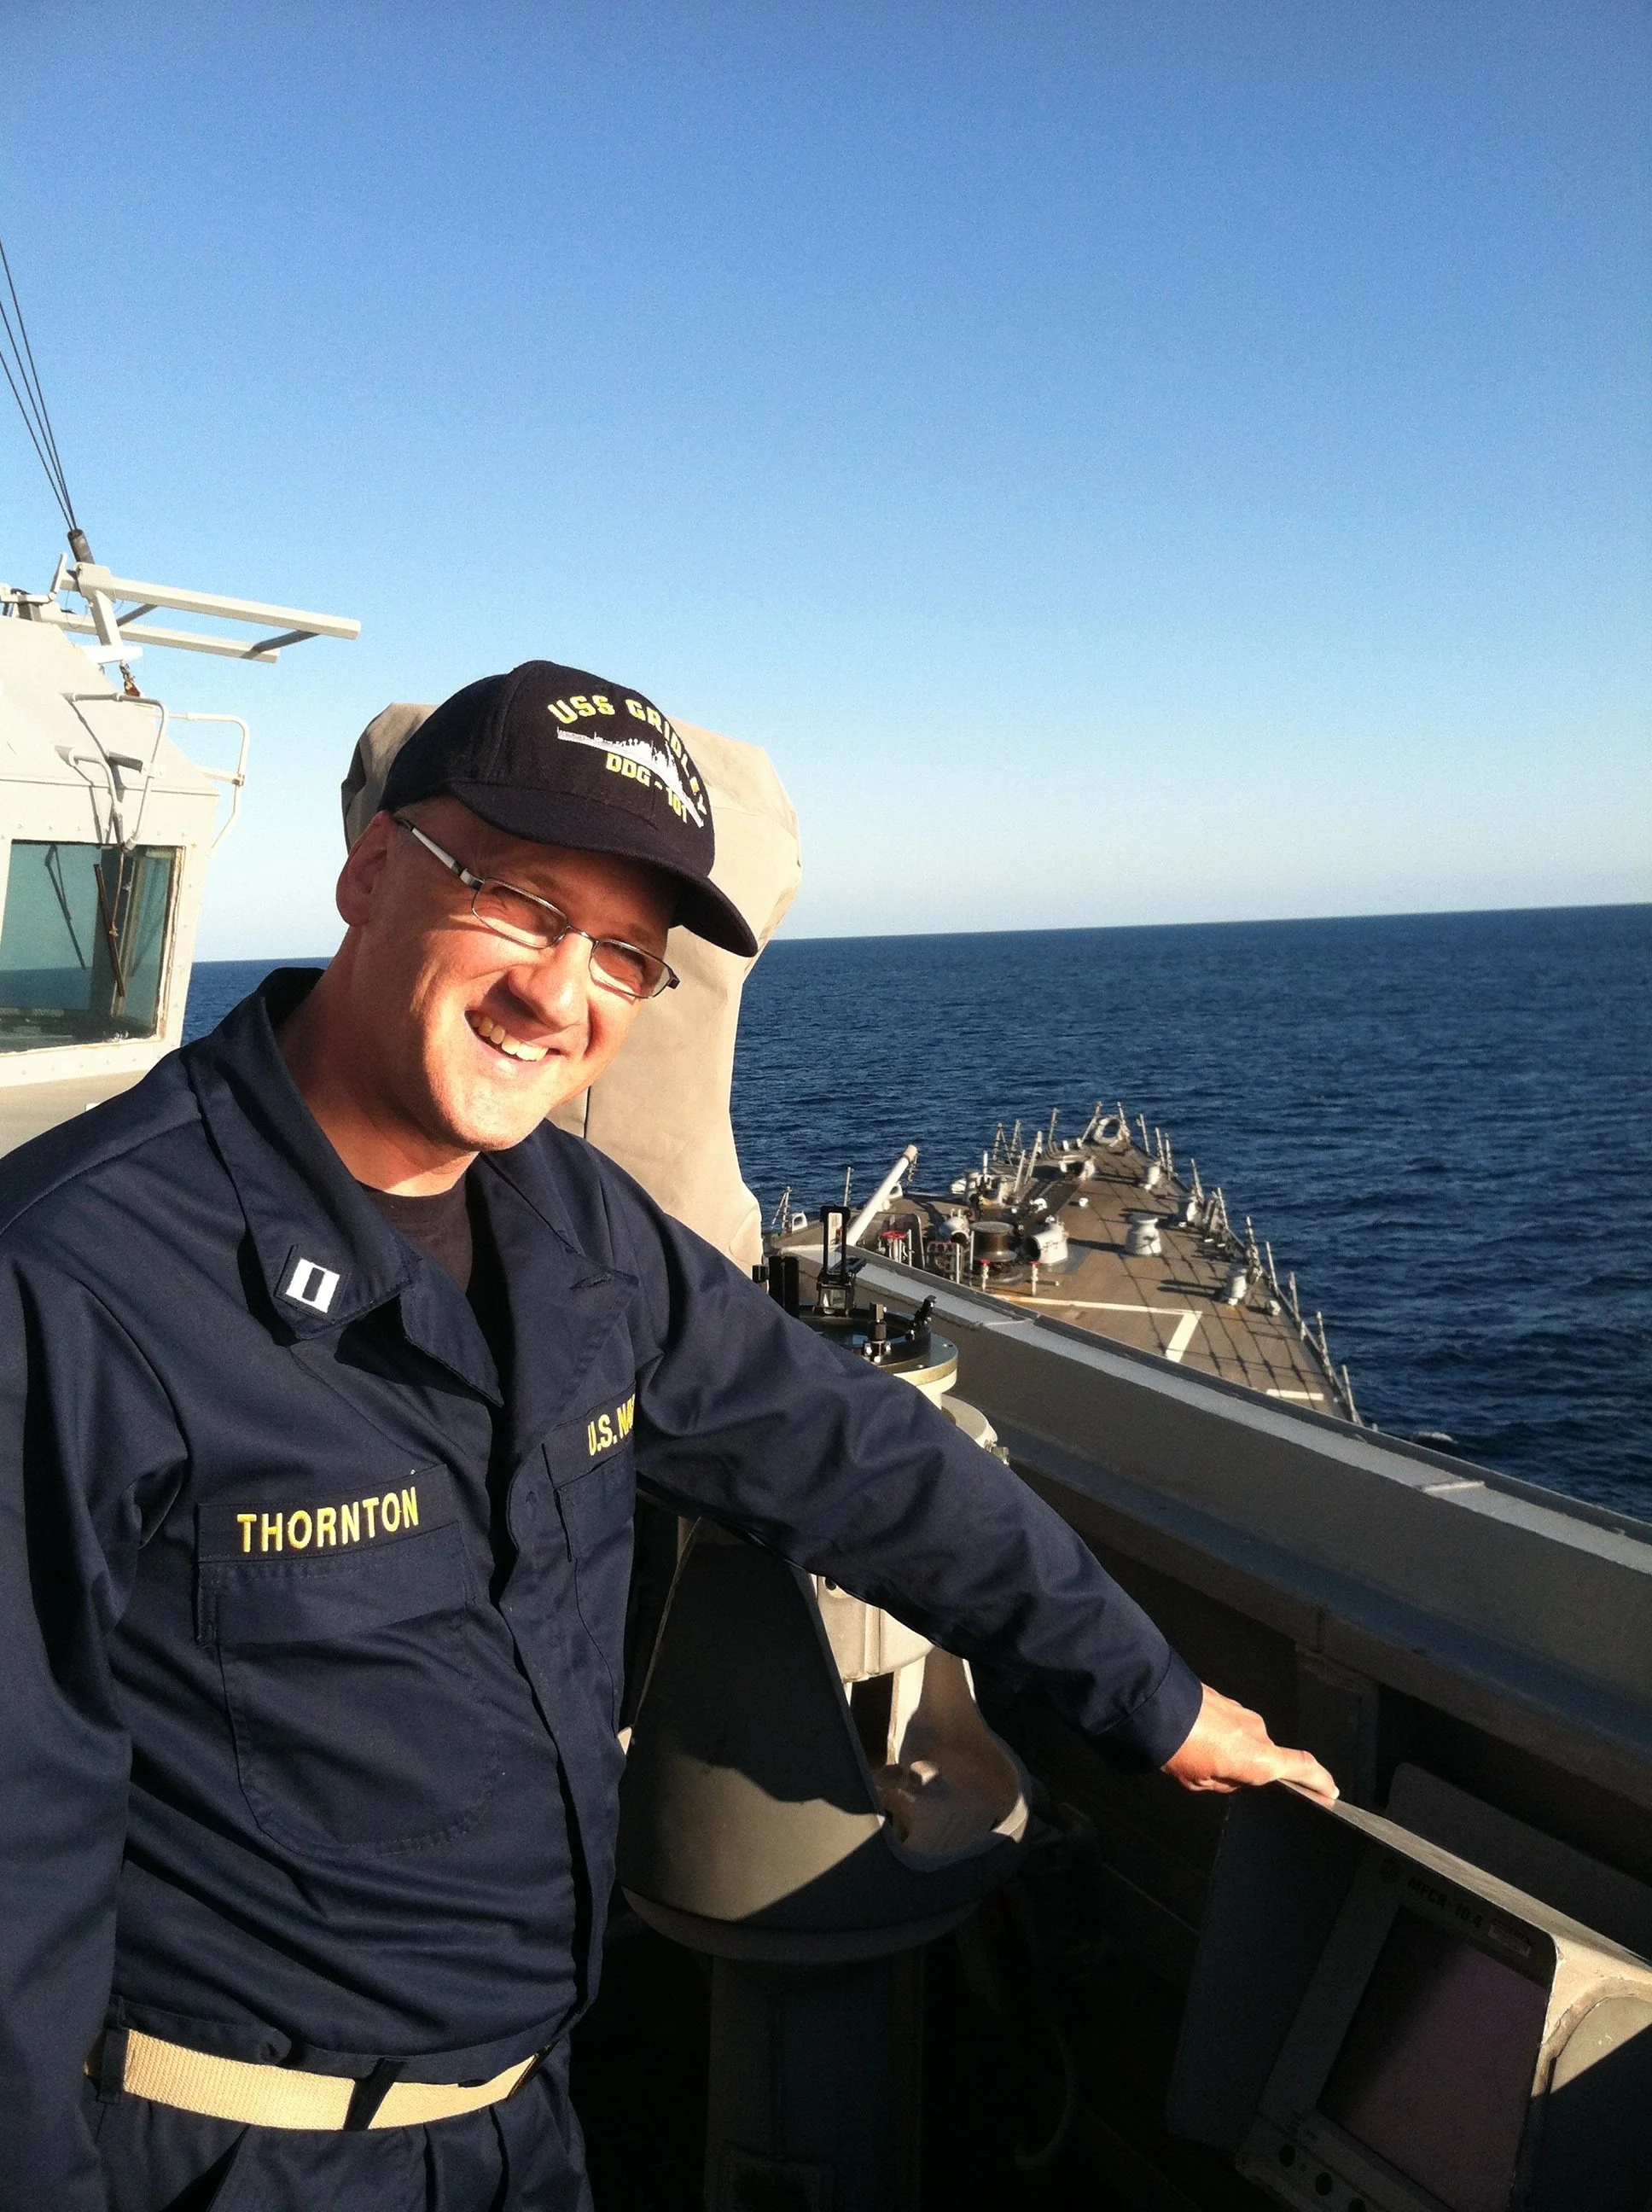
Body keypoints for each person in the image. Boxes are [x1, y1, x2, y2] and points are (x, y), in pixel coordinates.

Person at [0, 660, 1335, 2212]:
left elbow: (857, 1454)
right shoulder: (76, 1282)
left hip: (524, 2123)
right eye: (515, 898)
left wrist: (1152, 1696)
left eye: (623, 954)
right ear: (370, 873)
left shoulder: (571, 1234)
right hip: (233, 2158)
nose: (557, 994)